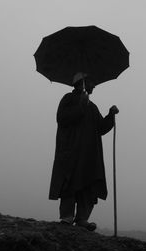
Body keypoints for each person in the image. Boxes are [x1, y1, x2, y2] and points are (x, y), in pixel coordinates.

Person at [49, 72, 119, 231]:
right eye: (92, 82)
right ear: (82, 83)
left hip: (90, 154)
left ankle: (82, 219)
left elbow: (100, 128)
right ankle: (67, 216)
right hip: (71, 150)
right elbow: (62, 119)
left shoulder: (92, 107)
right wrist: (80, 105)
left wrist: (110, 115)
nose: (94, 86)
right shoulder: (68, 99)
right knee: (70, 182)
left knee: (88, 183)